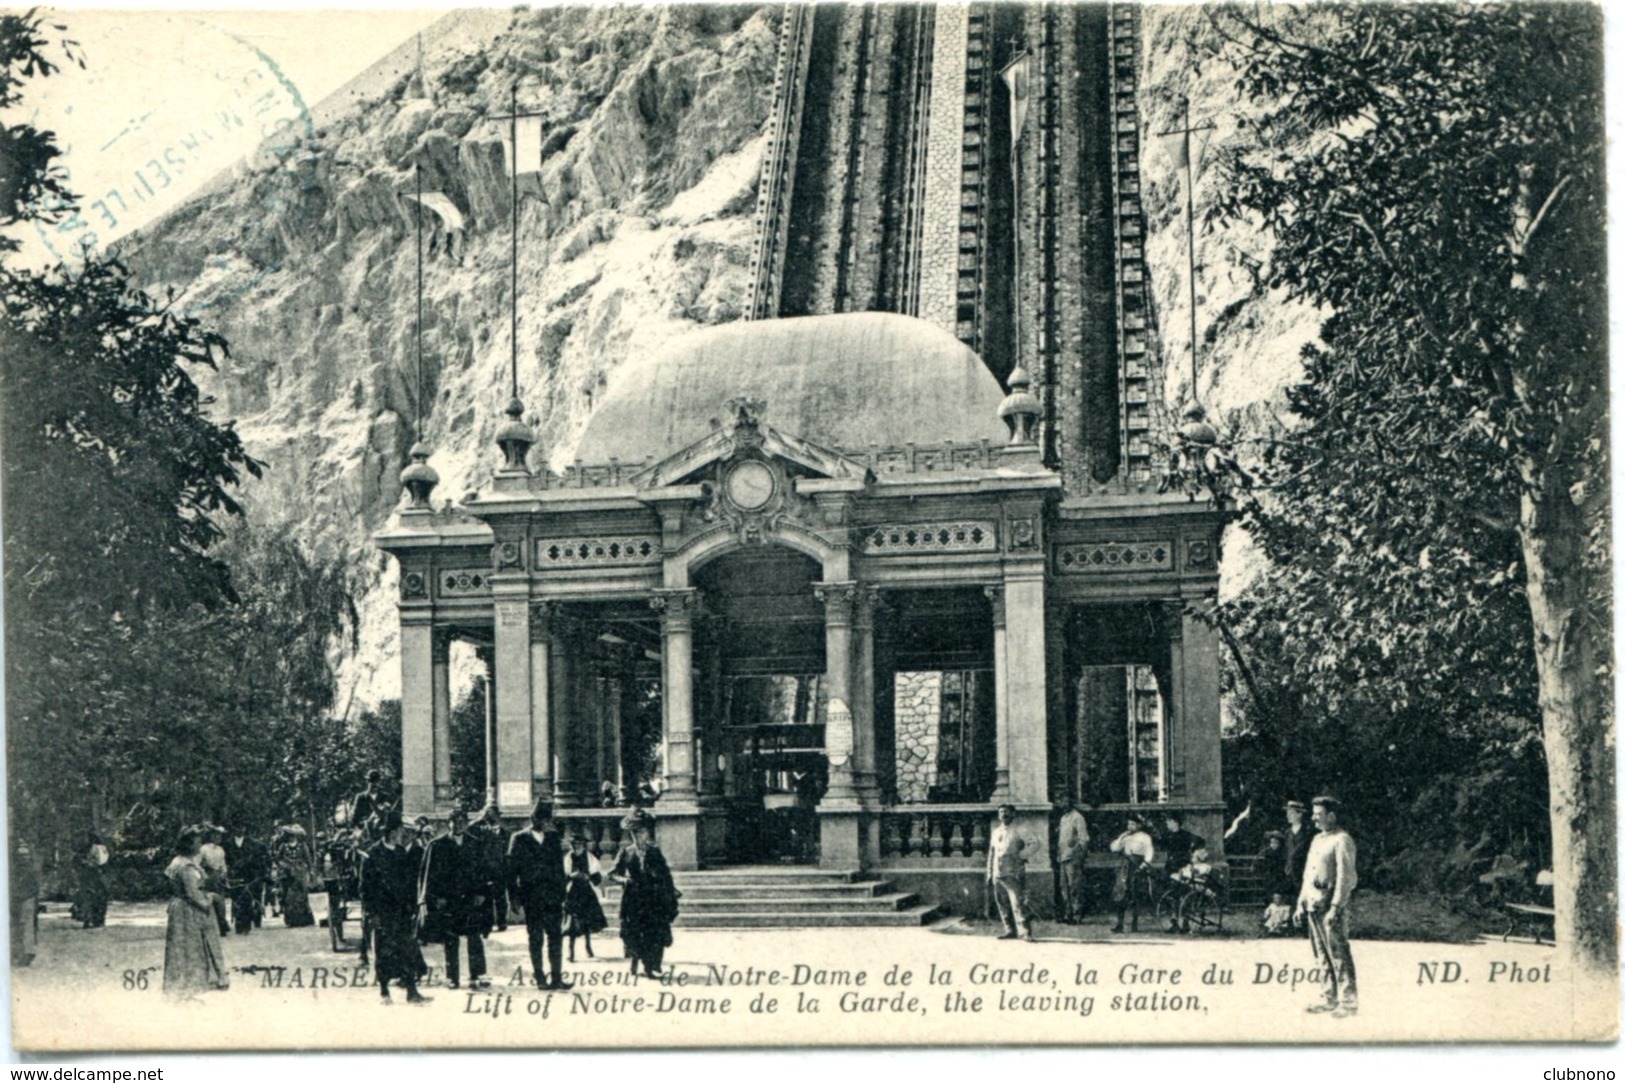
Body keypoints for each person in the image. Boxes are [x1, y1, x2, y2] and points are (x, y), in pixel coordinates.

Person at [1296, 795, 1358, 1018]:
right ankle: (1328, 997)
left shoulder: (1342, 840)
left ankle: (1348, 1002)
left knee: (1338, 953)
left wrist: (1335, 907)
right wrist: (1300, 902)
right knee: (1321, 954)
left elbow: (1345, 878)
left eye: (1318, 815)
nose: (1314, 819)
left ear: (1332, 816)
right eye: (1313, 814)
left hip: (1330, 907)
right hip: (1313, 904)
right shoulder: (1317, 840)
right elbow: (1307, 874)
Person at [361, 812, 430, 1005]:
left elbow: (409, 883)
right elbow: (365, 888)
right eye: (400, 829)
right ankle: (384, 992)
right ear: (392, 832)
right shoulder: (372, 855)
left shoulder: (401, 852)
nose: (402, 833)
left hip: (403, 911)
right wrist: (371, 913)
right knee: (383, 951)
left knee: (407, 948)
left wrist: (413, 906)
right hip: (382, 912)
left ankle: (411, 991)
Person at [422, 809, 491, 991]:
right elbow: (430, 876)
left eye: (462, 821)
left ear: (466, 824)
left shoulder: (475, 844)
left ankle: (476, 975)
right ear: (449, 823)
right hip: (449, 900)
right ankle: (453, 977)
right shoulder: (437, 845)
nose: (459, 824)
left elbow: (483, 872)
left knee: (474, 938)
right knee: (450, 939)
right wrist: (435, 898)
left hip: (471, 899)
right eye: (455, 821)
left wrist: (482, 893)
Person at [507, 800, 572, 990]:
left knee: (555, 937)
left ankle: (557, 978)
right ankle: (540, 977)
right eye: (540, 819)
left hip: (553, 897)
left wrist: (562, 893)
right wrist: (514, 898)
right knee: (536, 938)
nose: (544, 823)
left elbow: (559, 868)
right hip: (531, 896)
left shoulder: (552, 838)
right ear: (532, 818)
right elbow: (511, 871)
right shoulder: (519, 838)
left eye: (546, 820)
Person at [162, 828, 228, 999]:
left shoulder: (178, 861)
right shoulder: (186, 866)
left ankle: (181, 982)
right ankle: (190, 984)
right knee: (192, 946)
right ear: (189, 844)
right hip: (188, 909)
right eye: (197, 841)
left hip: (180, 907)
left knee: (182, 946)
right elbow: (192, 893)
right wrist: (209, 900)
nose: (200, 844)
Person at [611, 814, 679, 977]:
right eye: (634, 833)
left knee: (655, 929)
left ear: (647, 833)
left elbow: (666, 874)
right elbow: (613, 873)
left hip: (653, 897)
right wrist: (624, 879)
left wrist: (670, 892)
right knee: (635, 930)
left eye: (641, 832)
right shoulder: (626, 852)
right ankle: (636, 959)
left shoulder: (654, 852)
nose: (638, 836)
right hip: (634, 898)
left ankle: (653, 965)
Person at [985, 804, 1031, 941]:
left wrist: (1021, 855)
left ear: (1013, 814)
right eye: (1001, 812)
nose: (1003, 814)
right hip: (998, 873)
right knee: (1002, 903)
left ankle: (1025, 933)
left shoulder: (1020, 829)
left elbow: (1035, 843)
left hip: (1013, 872)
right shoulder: (996, 832)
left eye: (1007, 812)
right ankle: (1009, 930)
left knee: (1018, 903)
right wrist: (990, 873)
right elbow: (991, 854)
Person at [563, 833, 608, 962]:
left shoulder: (590, 857)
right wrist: (572, 876)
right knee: (572, 922)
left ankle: (588, 947)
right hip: (573, 892)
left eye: (579, 844)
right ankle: (571, 952)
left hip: (586, 892)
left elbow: (597, 877)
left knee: (587, 921)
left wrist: (588, 877)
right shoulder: (568, 858)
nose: (577, 847)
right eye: (574, 844)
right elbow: (563, 876)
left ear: (584, 846)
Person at [1108, 813, 1156, 933]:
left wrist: (1143, 866)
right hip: (1125, 868)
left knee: (1135, 895)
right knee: (1121, 894)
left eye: (1133, 824)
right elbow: (1114, 848)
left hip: (1137, 867)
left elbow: (1149, 853)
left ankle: (1134, 924)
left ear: (1139, 825)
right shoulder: (1125, 836)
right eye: (1129, 824)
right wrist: (1121, 838)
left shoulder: (1145, 837)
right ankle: (1120, 924)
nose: (1130, 826)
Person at [224, 825, 269, 935]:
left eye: (241, 827)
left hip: (249, 875)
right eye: (237, 827)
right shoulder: (227, 844)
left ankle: (247, 923)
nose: (239, 829)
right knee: (236, 899)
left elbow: (259, 860)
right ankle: (238, 923)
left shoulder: (253, 843)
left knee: (248, 899)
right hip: (235, 875)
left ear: (244, 829)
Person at [1055, 800, 1091, 924]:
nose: (1061, 804)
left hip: (1073, 858)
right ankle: (1068, 913)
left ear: (1070, 802)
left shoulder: (1077, 817)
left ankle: (1077, 915)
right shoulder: (1063, 818)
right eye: (1059, 801)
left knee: (1075, 887)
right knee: (1064, 887)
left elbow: (1083, 839)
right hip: (1063, 857)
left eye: (1063, 801)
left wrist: (1079, 857)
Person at [11, 837, 39, 966]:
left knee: (25, 925)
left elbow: (35, 886)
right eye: (21, 856)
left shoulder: (30, 870)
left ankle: (27, 952)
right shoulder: (15, 870)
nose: (23, 858)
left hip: (27, 899)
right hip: (19, 899)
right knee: (19, 926)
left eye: (25, 856)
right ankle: (20, 952)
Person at [199, 825, 230, 936]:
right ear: (211, 836)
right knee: (208, 900)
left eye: (220, 836)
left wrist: (223, 873)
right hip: (207, 876)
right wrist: (205, 874)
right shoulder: (203, 849)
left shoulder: (220, 850)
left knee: (220, 901)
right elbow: (198, 864)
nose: (218, 837)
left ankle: (222, 925)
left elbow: (223, 864)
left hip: (218, 877)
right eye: (216, 835)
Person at [1282, 799, 1316, 898]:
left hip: (1303, 874)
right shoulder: (1287, 833)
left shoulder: (1308, 833)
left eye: (1291, 813)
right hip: (1288, 874)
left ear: (1299, 815)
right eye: (1287, 813)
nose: (1288, 816)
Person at [76, 831, 110, 929]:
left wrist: (87, 863)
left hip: (93, 874)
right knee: (97, 897)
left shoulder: (94, 848)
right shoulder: (102, 848)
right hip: (98, 874)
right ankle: (96, 920)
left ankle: (91, 919)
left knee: (92, 896)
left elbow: (98, 861)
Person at [1160, 812, 1205, 879]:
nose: (1167, 822)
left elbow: (1201, 841)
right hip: (1170, 866)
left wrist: (1193, 851)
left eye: (1169, 820)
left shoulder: (1186, 835)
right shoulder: (1166, 836)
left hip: (1183, 865)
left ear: (1176, 822)